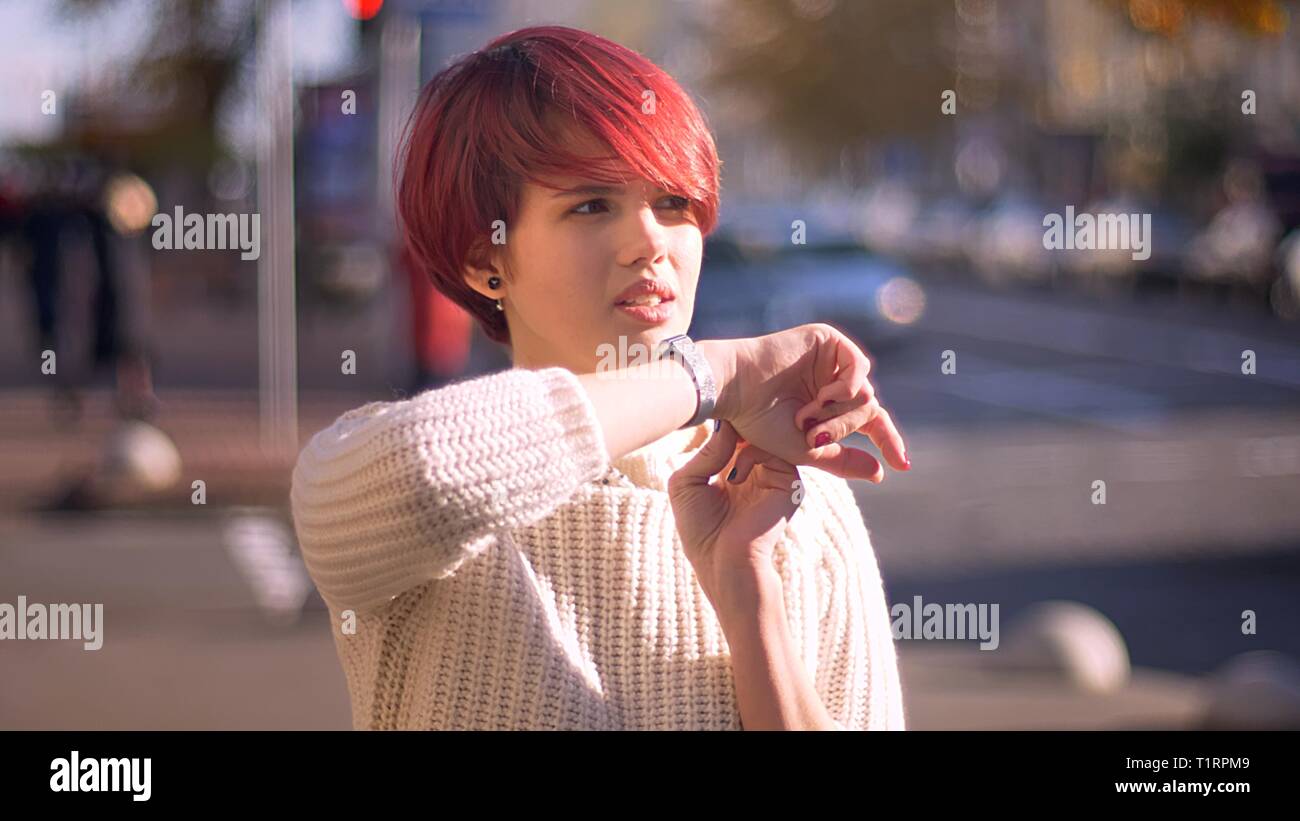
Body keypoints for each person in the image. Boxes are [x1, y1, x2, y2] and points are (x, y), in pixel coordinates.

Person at [290, 25, 911, 730]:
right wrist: (719, 371)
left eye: (673, 203)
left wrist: (752, 606)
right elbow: (434, 471)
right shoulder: (407, 480)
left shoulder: (795, 502)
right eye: (591, 205)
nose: (651, 240)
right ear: (482, 260)